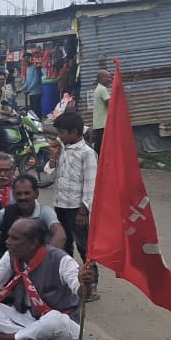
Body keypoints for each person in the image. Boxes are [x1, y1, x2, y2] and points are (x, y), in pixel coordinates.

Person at [41, 111, 99, 296]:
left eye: (62, 133)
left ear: (74, 132)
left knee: (84, 246)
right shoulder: (63, 149)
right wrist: (53, 157)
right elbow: (50, 173)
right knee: (65, 244)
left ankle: (92, 284)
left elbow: (90, 184)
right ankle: (70, 279)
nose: (59, 136)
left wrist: (84, 211)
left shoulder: (87, 154)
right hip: (61, 205)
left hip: (76, 209)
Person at [0, 174, 65, 252]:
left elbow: (61, 235)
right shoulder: (7, 212)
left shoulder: (45, 212)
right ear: (14, 195)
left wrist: (46, 258)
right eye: (18, 194)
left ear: (36, 194)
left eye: (27, 193)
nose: (23, 197)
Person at [90, 69, 111, 154]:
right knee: (101, 146)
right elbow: (109, 104)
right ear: (101, 78)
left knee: (99, 145)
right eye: (108, 77)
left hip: (99, 122)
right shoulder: (102, 89)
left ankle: (97, 160)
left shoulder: (98, 88)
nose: (110, 79)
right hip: (103, 123)